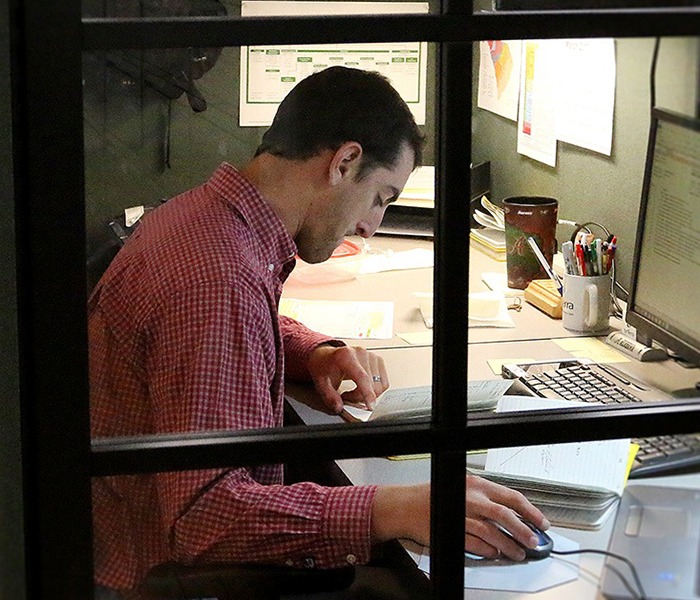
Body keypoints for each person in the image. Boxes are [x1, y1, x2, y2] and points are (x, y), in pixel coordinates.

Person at [89, 66, 549, 598]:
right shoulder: (219, 277)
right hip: (156, 578)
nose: (371, 226)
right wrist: (394, 508)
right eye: (381, 198)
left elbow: (216, 328)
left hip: (125, 541)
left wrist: (312, 350)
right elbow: (205, 520)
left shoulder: (203, 220)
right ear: (345, 162)